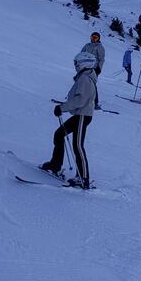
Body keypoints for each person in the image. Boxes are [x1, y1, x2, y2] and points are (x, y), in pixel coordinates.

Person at [42, 52, 98, 189]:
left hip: (83, 115)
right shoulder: (84, 76)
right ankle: (55, 165)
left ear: (83, 63)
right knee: (59, 134)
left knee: (78, 146)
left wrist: (63, 108)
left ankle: (83, 178)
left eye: (76, 63)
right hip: (80, 114)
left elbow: (81, 99)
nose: (75, 66)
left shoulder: (85, 78)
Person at [80, 32, 105, 109]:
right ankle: (78, 99)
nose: (94, 39)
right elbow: (81, 54)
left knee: (92, 85)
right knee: (81, 82)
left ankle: (95, 103)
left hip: (94, 68)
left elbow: (101, 59)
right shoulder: (87, 45)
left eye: (96, 37)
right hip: (85, 67)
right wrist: (80, 64)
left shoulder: (99, 47)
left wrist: (99, 69)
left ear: (98, 39)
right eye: (93, 37)